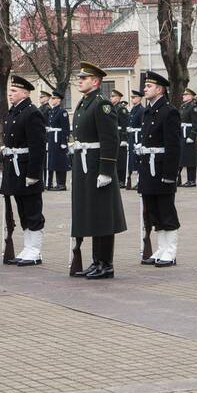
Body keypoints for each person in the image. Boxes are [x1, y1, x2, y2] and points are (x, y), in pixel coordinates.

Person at [70, 62, 128, 278]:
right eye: (80, 78)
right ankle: (96, 261)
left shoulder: (102, 104)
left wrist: (106, 170)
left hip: (97, 166)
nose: (80, 81)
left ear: (95, 81)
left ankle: (106, 264)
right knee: (92, 214)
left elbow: (110, 139)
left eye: (84, 78)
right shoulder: (85, 103)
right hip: (85, 164)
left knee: (103, 215)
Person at [0, 74, 47, 266]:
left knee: (32, 209)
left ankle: (35, 249)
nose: (10, 94)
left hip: (27, 168)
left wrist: (34, 174)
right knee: (22, 209)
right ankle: (27, 246)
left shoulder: (32, 113)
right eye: (10, 91)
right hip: (14, 167)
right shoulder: (15, 112)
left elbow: (37, 147)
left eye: (14, 91)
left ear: (25, 93)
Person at [137, 71, 181, 266]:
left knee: (166, 210)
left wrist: (171, 175)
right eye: (145, 86)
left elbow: (174, 145)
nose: (145, 89)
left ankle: (170, 250)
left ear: (160, 89)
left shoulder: (169, 111)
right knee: (153, 211)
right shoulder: (148, 111)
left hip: (162, 169)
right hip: (149, 167)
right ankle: (161, 248)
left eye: (149, 86)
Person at [45, 91, 70, 190]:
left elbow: (65, 128)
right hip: (52, 139)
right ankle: (54, 183)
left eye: (54, 98)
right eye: (52, 98)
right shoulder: (52, 111)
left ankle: (61, 184)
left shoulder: (62, 111)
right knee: (53, 161)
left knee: (60, 162)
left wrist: (64, 142)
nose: (52, 100)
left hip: (59, 139)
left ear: (59, 100)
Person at [178, 88, 197, 187]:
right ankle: (179, 179)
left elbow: (196, 123)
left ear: (191, 96)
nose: (183, 96)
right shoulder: (183, 107)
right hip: (182, 133)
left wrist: (192, 135)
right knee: (182, 157)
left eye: (186, 95)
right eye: (184, 95)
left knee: (190, 159)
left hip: (189, 134)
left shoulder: (193, 107)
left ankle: (191, 180)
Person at [125, 90, 145, 189]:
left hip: (138, 138)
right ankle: (133, 181)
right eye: (132, 97)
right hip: (132, 137)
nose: (132, 99)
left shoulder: (141, 110)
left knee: (139, 161)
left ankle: (140, 181)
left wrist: (141, 142)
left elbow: (143, 126)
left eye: (134, 97)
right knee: (133, 161)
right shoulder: (133, 109)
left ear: (140, 98)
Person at [109, 89, 129, 186]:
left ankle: (121, 180)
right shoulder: (113, 108)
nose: (111, 98)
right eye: (111, 96)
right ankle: (117, 179)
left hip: (120, 137)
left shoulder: (121, 109)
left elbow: (125, 124)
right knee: (116, 159)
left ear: (118, 98)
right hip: (114, 136)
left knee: (121, 159)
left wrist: (124, 138)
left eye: (113, 96)